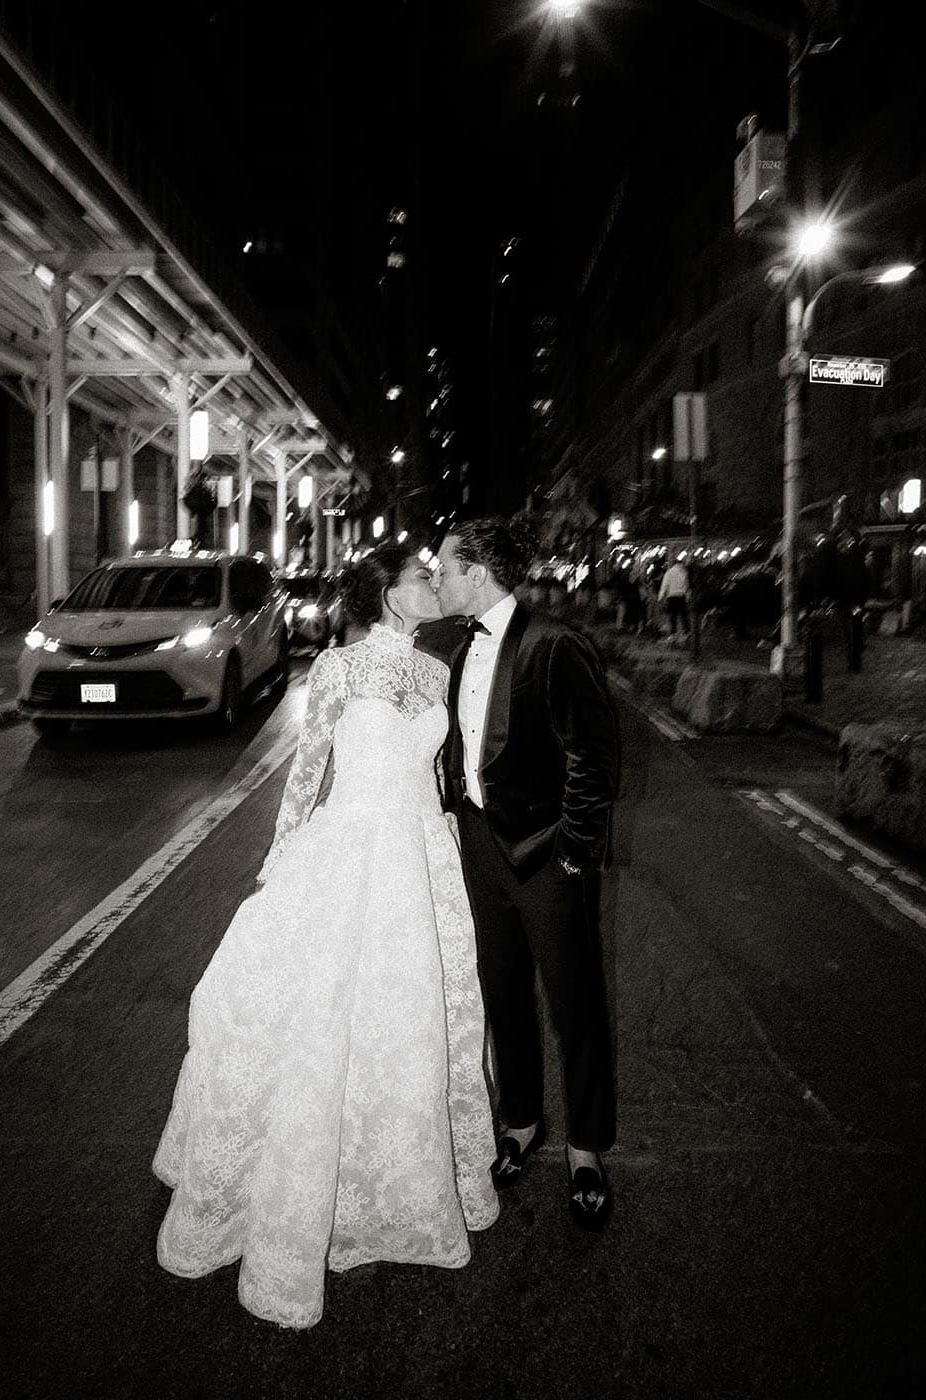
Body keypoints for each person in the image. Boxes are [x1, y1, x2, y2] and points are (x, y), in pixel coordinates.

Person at [153, 543, 499, 1329]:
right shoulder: (340, 670)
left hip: (421, 856)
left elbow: (439, 771)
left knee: (409, 1022)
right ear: (386, 594)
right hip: (351, 850)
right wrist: (284, 853)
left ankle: (398, 1185)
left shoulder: (437, 671)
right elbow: (308, 771)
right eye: (419, 577)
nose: (432, 583)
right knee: (320, 1020)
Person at [435, 515, 620, 1231]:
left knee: (575, 1004)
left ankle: (586, 1148)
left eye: (446, 566)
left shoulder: (554, 645)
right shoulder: (456, 647)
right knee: (503, 991)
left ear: (478, 572)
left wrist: (574, 852)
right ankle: (519, 1121)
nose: (440, 576)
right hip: (481, 848)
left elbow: (594, 759)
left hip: (547, 854)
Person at [658, 553, 690, 641]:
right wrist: (687, 597)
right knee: (683, 615)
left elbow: (664, 585)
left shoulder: (669, 573)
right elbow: (686, 586)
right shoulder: (684, 572)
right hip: (681, 596)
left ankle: (673, 634)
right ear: (680, 564)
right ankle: (687, 631)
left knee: (673, 615)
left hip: (671, 597)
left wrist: (660, 597)